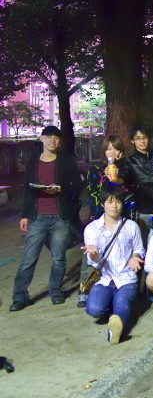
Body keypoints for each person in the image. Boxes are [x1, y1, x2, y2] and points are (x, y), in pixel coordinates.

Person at [10, 125, 82, 311]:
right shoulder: (33, 161)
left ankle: (55, 291)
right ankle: (20, 296)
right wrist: (25, 215)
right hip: (38, 216)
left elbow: (77, 184)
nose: (53, 141)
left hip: (60, 216)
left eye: (56, 138)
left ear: (60, 141)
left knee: (58, 258)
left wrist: (61, 189)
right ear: (42, 139)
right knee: (29, 258)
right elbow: (27, 188)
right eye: (49, 137)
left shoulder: (66, 160)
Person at [82, 187, 145, 344]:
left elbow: (139, 249)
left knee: (122, 304)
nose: (114, 206)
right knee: (94, 309)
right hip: (105, 279)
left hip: (126, 278)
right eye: (110, 202)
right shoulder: (92, 229)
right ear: (102, 204)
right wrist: (94, 254)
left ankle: (115, 329)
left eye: (118, 202)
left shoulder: (131, 226)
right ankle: (111, 305)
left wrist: (135, 257)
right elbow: (93, 261)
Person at [79, 135, 130, 308]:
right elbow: (92, 193)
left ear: (121, 152)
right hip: (99, 216)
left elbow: (127, 190)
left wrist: (116, 177)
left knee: (119, 253)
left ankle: (119, 289)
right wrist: (95, 216)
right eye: (108, 149)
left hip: (120, 218)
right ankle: (84, 290)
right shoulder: (95, 169)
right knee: (92, 253)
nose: (112, 152)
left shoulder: (125, 169)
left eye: (115, 149)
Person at [121, 124, 153, 243]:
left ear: (149, 138)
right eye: (138, 138)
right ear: (133, 141)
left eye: (144, 137)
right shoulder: (131, 161)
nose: (142, 141)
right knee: (142, 244)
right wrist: (114, 177)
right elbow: (122, 180)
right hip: (141, 211)